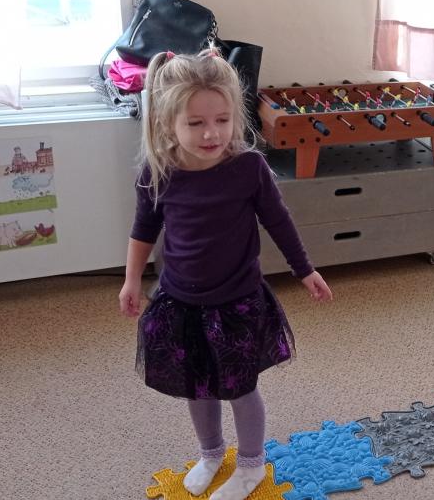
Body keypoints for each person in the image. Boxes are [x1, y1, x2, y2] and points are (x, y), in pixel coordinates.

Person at [118, 49, 333, 500]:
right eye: (196, 123)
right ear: (168, 124)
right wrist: (131, 279)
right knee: (198, 388)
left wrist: (305, 270)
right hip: (181, 302)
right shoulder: (158, 172)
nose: (211, 133)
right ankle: (211, 453)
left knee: (241, 388)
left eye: (222, 120)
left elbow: (279, 221)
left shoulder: (248, 168)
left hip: (236, 302)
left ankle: (251, 464)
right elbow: (143, 230)